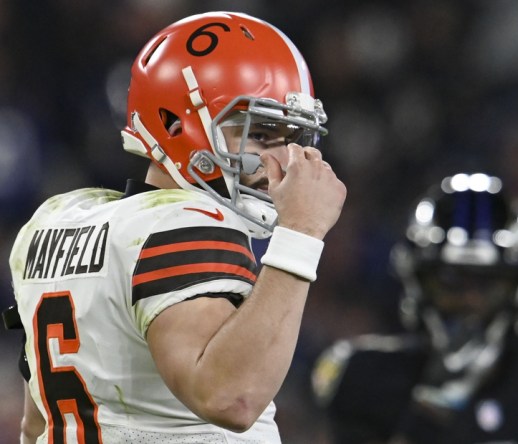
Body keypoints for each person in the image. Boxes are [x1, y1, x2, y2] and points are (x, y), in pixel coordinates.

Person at [5, 11, 345, 443]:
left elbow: (36, 427)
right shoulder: (184, 223)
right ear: (175, 123)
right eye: (260, 133)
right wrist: (302, 234)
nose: (285, 161)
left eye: (291, 138)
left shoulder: (55, 222)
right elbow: (232, 398)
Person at [311, 173, 518, 444]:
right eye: (451, 283)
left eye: (488, 285)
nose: (470, 301)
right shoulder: (365, 376)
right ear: (417, 278)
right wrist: (440, 396)